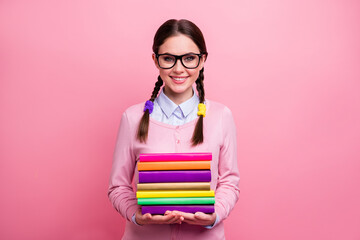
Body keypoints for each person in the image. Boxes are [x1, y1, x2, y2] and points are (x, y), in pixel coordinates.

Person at [108, 19, 240, 240]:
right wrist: (136, 215)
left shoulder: (221, 116)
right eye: (168, 59)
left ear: (202, 60)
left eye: (189, 58)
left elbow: (229, 182)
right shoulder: (132, 118)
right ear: (156, 60)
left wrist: (214, 214)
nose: (179, 69)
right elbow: (118, 186)